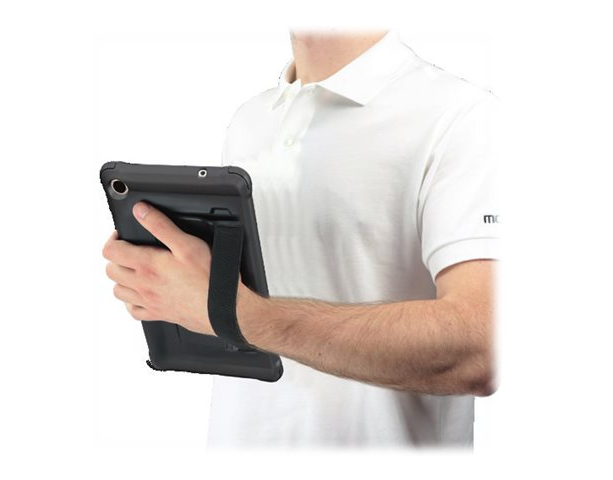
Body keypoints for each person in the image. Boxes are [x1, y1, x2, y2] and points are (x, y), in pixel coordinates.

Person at [102, 29, 500, 448]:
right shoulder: (251, 119)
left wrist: (234, 313)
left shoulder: (463, 116)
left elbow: (480, 348)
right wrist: (168, 286)